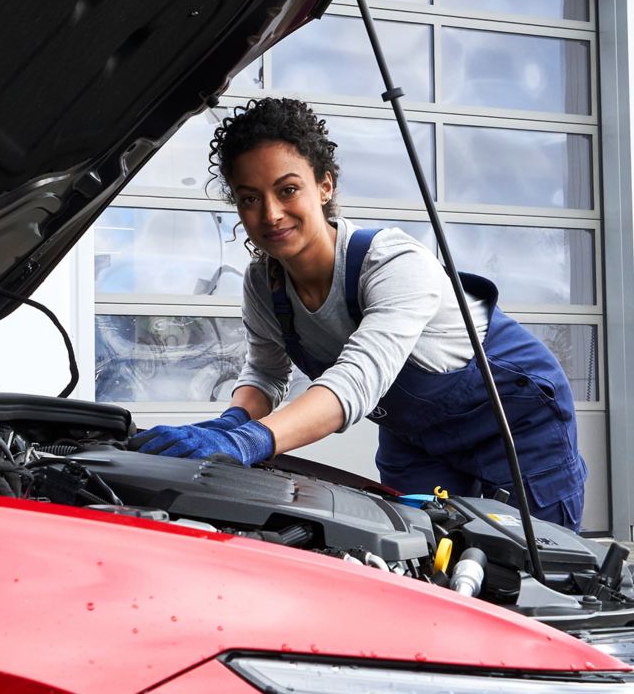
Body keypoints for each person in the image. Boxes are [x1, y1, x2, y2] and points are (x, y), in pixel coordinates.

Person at [130, 97, 587, 532]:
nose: (270, 213)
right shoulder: (263, 284)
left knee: (533, 567)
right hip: (415, 434)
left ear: (324, 185)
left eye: (288, 190)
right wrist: (231, 422)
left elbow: (356, 382)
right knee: (416, 559)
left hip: (513, 417)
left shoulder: (391, 262)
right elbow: (267, 372)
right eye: (249, 198)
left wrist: (248, 442)